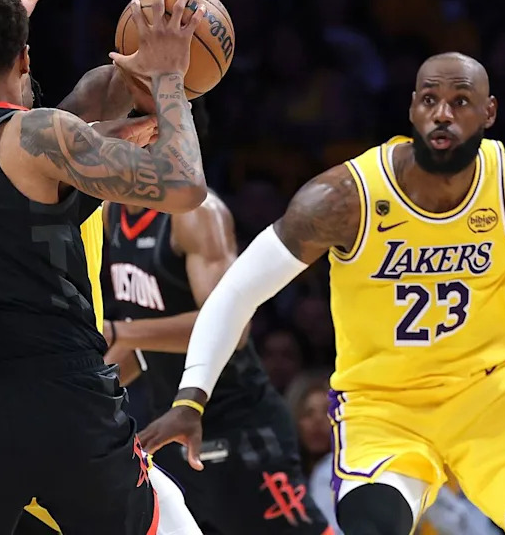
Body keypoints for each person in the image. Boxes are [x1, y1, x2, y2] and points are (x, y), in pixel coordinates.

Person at [140, 52, 505, 535]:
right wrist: (192, 396)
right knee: (373, 526)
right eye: (430, 100)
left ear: (489, 113)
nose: (443, 113)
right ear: (413, 109)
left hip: (488, 395)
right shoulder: (343, 198)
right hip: (382, 405)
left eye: (460, 101)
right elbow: (235, 293)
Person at [0, 0, 208, 534]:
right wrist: (168, 78)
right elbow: (184, 187)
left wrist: (108, 140)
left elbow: (8, 201)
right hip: (64, 399)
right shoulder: (37, 132)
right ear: (24, 57)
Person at [102, 191, 333, 534]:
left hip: (238, 424)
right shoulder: (111, 212)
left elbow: (231, 326)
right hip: (169, 428)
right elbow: (142, 343)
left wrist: (118, 331)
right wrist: (91, 391)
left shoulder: (195, 213)